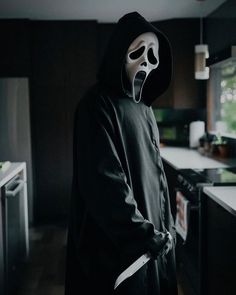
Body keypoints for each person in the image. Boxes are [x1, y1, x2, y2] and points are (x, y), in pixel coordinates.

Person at [65, 11, 177, 295]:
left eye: (154, 54)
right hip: (117, 246)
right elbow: (104, 182)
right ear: (120, 50)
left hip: (149, 240)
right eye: (138, 50)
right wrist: (141, 233)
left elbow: (156, 176)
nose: (146, 61)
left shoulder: (145, 109)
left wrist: (165, 228)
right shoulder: (96, 105)